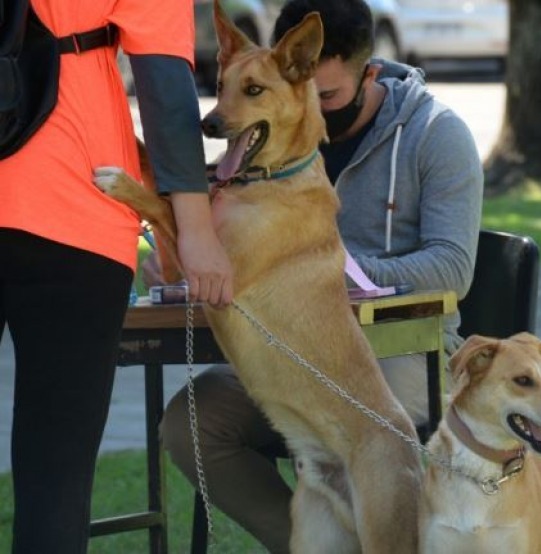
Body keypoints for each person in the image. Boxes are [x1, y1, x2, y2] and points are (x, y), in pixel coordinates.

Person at [160, 0, 483, 551]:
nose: (311, 106)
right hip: (294, 350)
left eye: (327, 95)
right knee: (194, 421)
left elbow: (453, 267)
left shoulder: (435, 134)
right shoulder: (256, 141)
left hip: (400, 353)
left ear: (369, 72)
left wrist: (342, 270)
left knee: (376, 441)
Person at [0, 1, 233, 552]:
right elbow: (164, 86)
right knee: (54, 474)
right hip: (72, 208)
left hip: (70, 212)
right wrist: (194, 232)